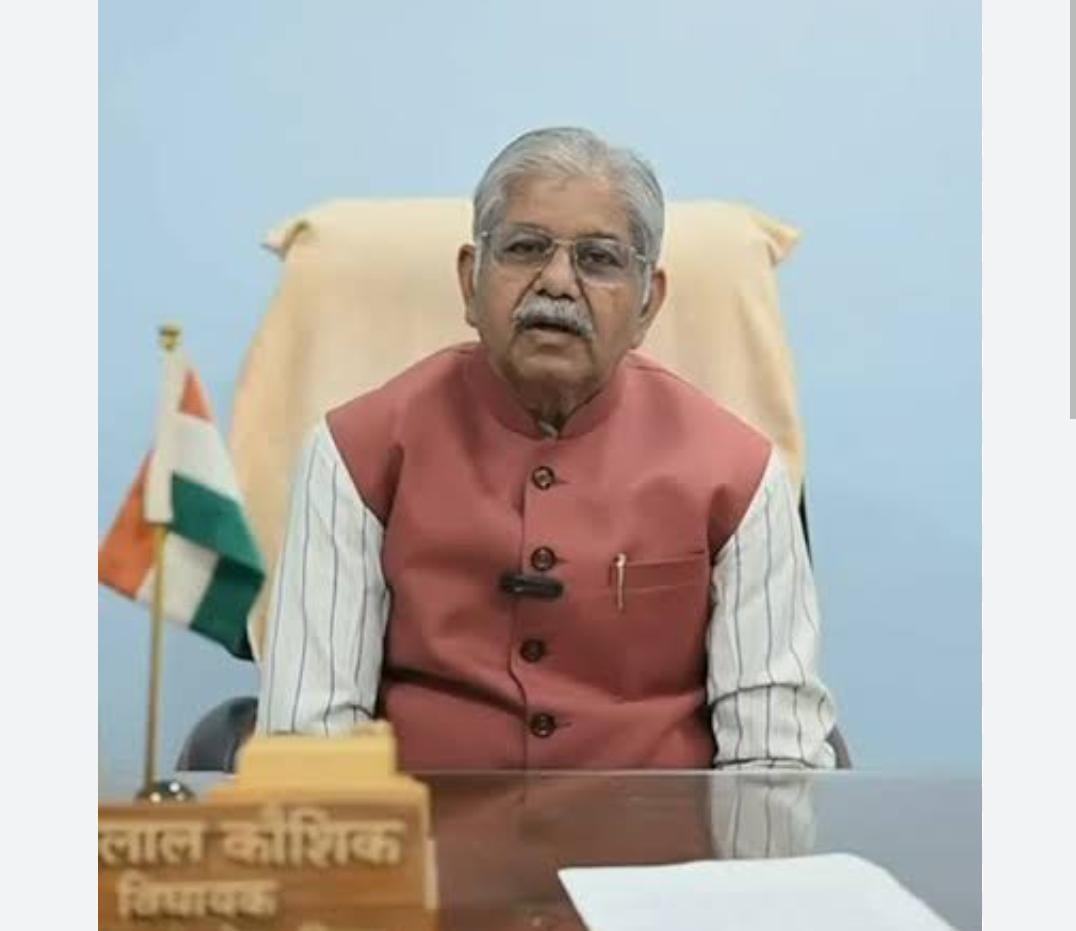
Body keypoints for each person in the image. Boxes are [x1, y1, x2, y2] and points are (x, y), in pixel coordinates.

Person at [256, 126, 839, 770]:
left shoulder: (742, 476)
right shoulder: (353, 454)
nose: (557, 283)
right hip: (426, 828)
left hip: (657, 834)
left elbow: (772, 763)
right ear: (470, 281)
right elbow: (311, 741)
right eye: (525, 249)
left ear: (649, 304)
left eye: (599, 259)